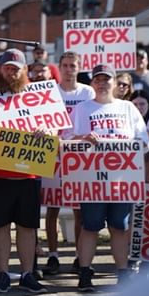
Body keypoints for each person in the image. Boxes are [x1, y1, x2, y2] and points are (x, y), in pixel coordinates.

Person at [0, 49, 50, 294]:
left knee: (27, 226)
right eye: (8, 67)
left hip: (29, 174)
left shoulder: (38, 98)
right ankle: (2, 273)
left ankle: (27, 274)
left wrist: (45, 129)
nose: (12, 72)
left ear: (25, 70)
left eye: (17, 67)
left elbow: (55, 128)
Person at [68, 64, 149, 292]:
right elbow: (68, 142)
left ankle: (122, 273)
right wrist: (83, 137)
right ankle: (85, 273)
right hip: (92, 179)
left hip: (122, 180)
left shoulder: (128, 108)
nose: (102, 84)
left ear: (115, 83)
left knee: (119, 226)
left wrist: (132, 146)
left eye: (107, 79)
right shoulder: (83, 109)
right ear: (92, 83)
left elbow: (143, 142)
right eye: (98, 80)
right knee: (90, 226)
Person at [44, 51, 95, 275]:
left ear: (78, 67)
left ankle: (78, 256)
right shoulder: (50, 91)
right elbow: (43, 120)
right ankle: (53, 255)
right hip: (53, 154)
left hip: (78, 156)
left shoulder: (88, 92)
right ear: (60, 67)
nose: (68, 69)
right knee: (52, 208)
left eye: (72, 65)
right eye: (64, 65)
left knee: (78, 210)